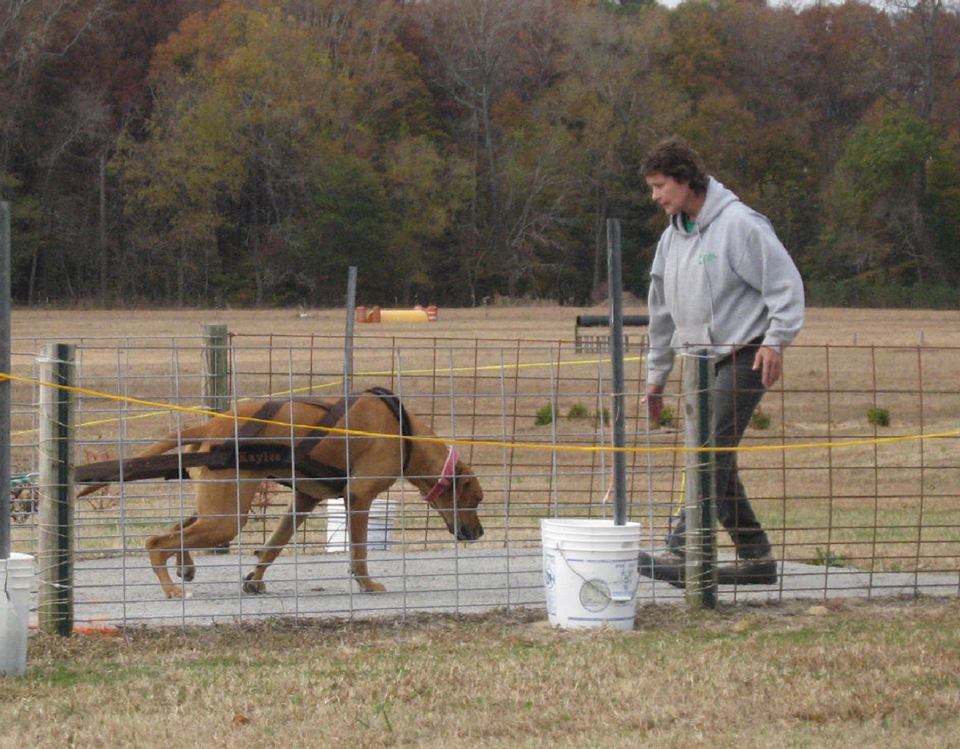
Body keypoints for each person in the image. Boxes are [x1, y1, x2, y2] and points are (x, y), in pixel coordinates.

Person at [637, 136, 804, 587]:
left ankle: (682, 549)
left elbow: (785, 286)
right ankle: (757, 558)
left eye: (659, 186)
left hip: (745, 355)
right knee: (714, 458)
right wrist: (657, 375)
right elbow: (662, 311)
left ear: (685, 180)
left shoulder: (740, 225)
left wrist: (776, 340)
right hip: (699, 363)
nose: (654, 196)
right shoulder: (672, 239)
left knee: (709, 453)